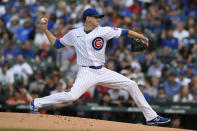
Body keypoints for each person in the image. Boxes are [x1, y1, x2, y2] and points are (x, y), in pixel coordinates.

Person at [30, 8, 170, 125]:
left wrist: (143, 37)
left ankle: (151, 117)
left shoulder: (104, 31)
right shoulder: (74, 33)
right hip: (86, 72)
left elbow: (125, 32)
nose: (99, 19)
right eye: (96, 17)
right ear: (87, 18)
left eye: (99, 17)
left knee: (131, 84)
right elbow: (57, 44)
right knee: (72, 95)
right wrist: (45, 30)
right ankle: (36, 103)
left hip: (102, 71)